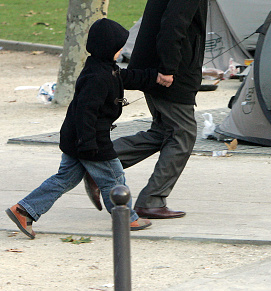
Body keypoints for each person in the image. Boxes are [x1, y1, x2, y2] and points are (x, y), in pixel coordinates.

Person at [84, 0, 227, 220]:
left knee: (164, 132)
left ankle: (100, 165)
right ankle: (152, 199)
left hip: (153, 64)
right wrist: (169, 69)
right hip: (169, 70)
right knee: (185, 134)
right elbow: (175, 23)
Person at [5, 18, 168, 239]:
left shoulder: (104, 68)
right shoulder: (97, 77)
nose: (121, 52)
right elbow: (85, 113)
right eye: (119, 48)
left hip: (78, 138)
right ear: (109, 49)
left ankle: (24, 210)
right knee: (114, 177)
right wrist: (89, 144)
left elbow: (125, 77)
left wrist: (153, 77)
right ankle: (126, 219)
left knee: (65, 179)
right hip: (90, 139)